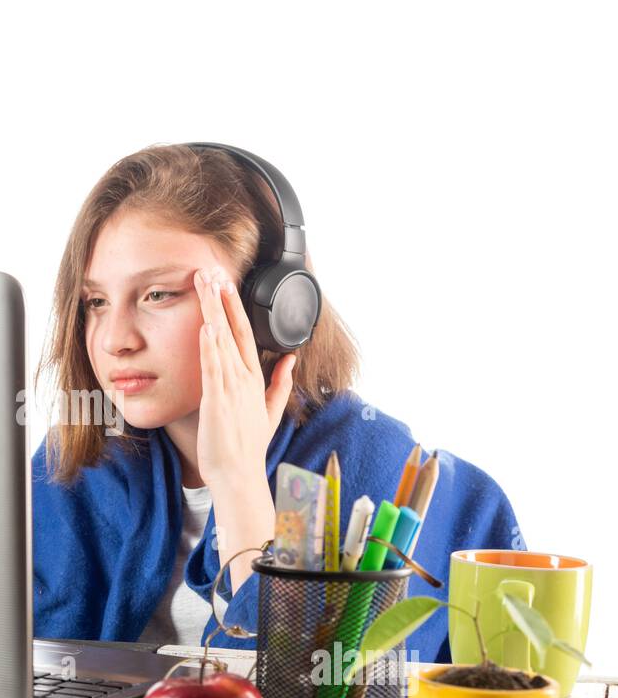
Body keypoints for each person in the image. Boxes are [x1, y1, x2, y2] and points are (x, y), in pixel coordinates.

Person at [30, 142, 524, 660]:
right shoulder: (75, 465)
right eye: (96, 302)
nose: (115, 340)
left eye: (158, 294)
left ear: (277, 305)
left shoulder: (371, 476)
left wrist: (238, 478)